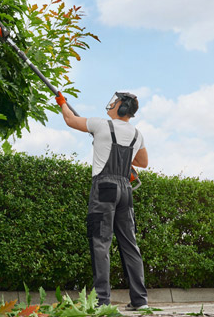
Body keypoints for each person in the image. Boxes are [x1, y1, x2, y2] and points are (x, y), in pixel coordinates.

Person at [55, 91, 150, 310]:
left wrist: (62, 102)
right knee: (129, 245)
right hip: (126, 190)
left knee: (100, 242)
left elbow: (70, 120)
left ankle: (102, 301)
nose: (112, 104)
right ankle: (140, 301)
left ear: (122, 108)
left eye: (116, 102)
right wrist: (126, 157)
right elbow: (143, 162)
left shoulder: (101, 125)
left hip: (104, 188)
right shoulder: (137, 134)